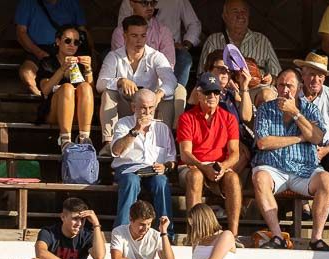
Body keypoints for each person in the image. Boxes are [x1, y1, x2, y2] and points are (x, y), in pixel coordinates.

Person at [251, 68, 329, 252]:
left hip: (304, 169)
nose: (285, 90)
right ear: (276, 86)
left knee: (326, 180)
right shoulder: (265, 108)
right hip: (272, 167)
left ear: (299, 87)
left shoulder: (310, 109)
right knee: (259, 178)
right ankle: (278, 237)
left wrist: (295, 113)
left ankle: (316, 239)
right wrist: (298, 138)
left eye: (290, 85)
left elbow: (317, 137)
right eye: (281, 85)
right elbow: (263, 143)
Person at [176, 75, 242, 238]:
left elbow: (235, 153)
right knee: (196, 176)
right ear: (198, 94)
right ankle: (195, 234)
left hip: (218, 165)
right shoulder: (186, 118)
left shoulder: (229, 118)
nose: (212, 96)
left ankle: (233, 235)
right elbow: (185, 153)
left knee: (233, 179)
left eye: (215, 92)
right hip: (193, 165)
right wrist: (204, 167)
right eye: (207, 92)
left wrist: (222, 167)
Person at [96, 16, 177, 142]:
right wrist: (120, 81)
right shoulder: (114, 56)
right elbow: (100, 84)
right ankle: (109, 142)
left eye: (143, 36)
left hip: (149, 108)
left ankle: (164, 142)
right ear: (125, 36)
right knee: (108, 94)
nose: (139, 40)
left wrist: (159, 94)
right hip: (126, 105)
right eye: (134, 36)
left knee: (168, 95)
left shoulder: (156, 56)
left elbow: (171, 81)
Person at [110, 91, 176, 231]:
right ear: (134, 107)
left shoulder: (162, 128)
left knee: (161, 182)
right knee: (131, 181)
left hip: (153, 169)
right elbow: (116, 151)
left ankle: (166, 233)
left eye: (151, 108)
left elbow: (171, 158)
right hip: (128, 168)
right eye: (143, 108)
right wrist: (135, 130)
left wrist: (166, 167)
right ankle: (121, 232)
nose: (148, 112)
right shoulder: (123, 124)